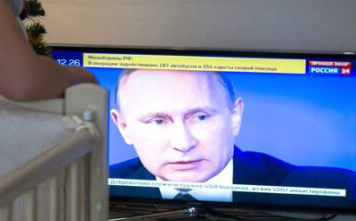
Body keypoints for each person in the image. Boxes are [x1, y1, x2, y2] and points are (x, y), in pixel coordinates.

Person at [108, 69, 356, 205]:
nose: (183, 144)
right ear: (123, 127)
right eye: (158, 121)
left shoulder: (339, 188)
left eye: (200, 117)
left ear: (235, 116)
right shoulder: (96, 188)